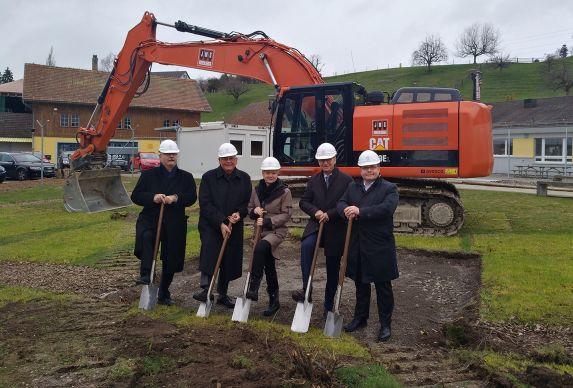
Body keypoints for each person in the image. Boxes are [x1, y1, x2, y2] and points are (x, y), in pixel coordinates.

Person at [337, 150, 399, 342]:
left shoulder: (389, 188)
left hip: (379, 244)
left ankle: (385, 325)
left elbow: (386, 209)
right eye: (365, 167)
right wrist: (345, 211)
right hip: (358, 244)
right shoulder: (353, 187)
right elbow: (341, 203)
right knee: (360, 284)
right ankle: (360, 318)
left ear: (379, 168)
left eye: (372, 167)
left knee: (383, 287)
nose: (369, 170)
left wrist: (360, 211)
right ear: (360, 169)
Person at [131, 139, 197, 306]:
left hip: (174, 222)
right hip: (151, 219)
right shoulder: (148, 175)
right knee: (147, 237)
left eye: (174, 153)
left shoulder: (186, 177)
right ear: (160, 155)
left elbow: (191, 198)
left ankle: (164, 291)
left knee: (171, 258)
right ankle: (146, 274)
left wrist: (175, 198)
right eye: (168, 154)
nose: (171, 156)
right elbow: (136, 195)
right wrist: (152, 197)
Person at [292, 143, 353, 317]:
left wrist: (330, 214)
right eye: (321, 160)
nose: (325, 163)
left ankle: (328, 305)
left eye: (328, 159)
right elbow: (304, 202)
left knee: (332, 266)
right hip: (316, 225)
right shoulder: (314, 180)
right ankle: (307, 289)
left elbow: (346, 202)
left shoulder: (346, 180)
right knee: (306, 246)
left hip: (335, 227)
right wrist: (316, 212)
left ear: (334, 159)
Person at [193, 143, 252, 308]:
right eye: (225, 159)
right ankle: (206, 290)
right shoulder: (208, 177)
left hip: (234, 225)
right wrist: (220, 222)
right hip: (211, 224)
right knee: (210, 252)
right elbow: (205, 203)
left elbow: (246, 203)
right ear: (219, 159)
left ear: (236, 159)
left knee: (228, 257)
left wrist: (238, 214)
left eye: (231, 158)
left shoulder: (245, 178)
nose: (228, 161)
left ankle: (223, 294)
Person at [246, 157, 292, 316]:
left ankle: (254, 285)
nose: (270, 175)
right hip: (259, 230)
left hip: (276, 230)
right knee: (269, 264)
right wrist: (254, 212)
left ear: (278, 173)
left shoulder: (285, 191)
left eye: (273, 172)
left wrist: (267, 221)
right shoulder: (256, 189)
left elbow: (286, 214)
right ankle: (274, 300)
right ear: (262, 173)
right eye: (267, 172)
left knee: (261, 248)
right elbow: (250, 208)